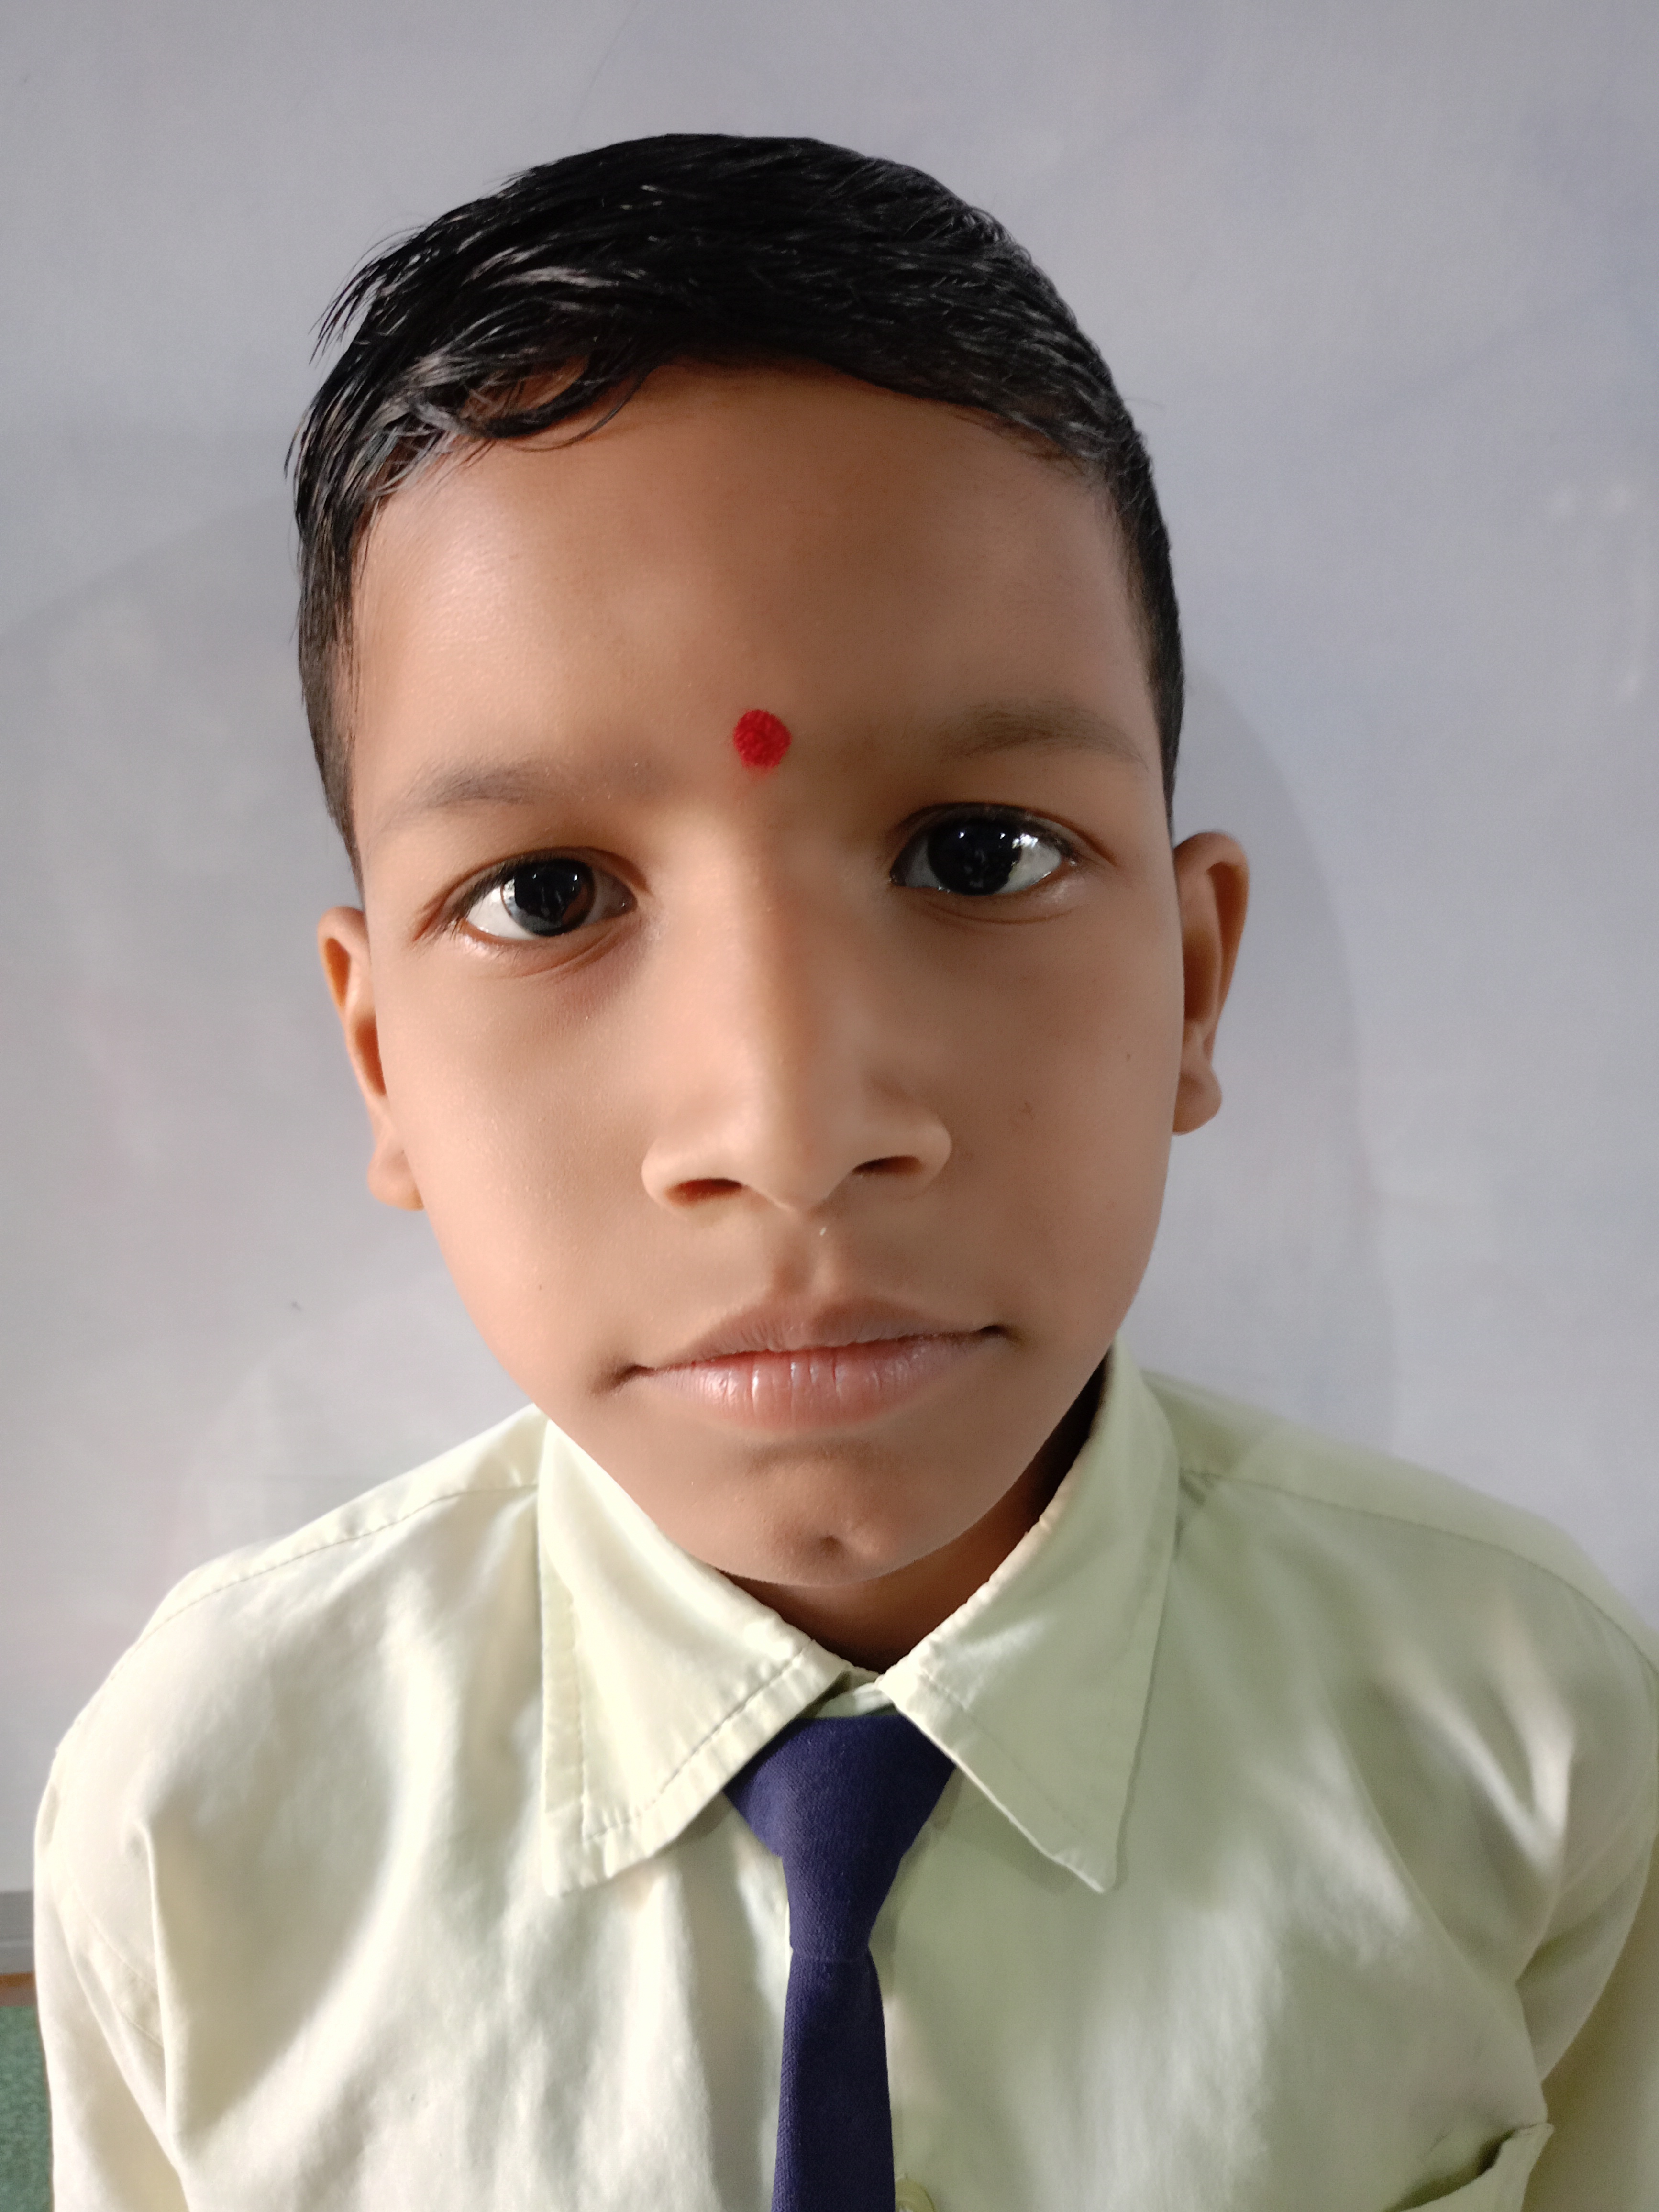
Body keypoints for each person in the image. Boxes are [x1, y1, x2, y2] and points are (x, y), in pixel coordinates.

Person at [33, 134, 1659, 2211]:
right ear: (382, 1067)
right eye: (547, 895)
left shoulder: (1525, 1740)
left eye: (978, 853)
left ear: (1192, 980)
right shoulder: (200, 1819)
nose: (790, 1126)